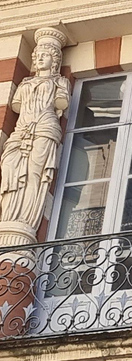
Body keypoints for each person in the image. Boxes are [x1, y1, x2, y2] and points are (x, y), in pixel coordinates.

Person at [0, 29, 70, 235]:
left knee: (34, 175)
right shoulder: (25, 83)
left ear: (55, 60)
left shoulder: (60, 83)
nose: (40, 58)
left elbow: (61, 103)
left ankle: (24, 222)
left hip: (44, 128)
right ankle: (10, 218)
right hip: (21, 131)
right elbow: (16, 105)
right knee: (10, 167)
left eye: (45, 55)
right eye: (37, 55)